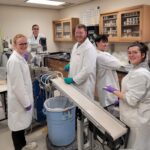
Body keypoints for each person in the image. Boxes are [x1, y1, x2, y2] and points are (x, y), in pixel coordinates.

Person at [104, 42, 150, 150]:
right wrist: (120, 99)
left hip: (138, 117)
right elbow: (132, 91)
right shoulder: (136, 69)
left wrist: (114, 91)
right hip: (135, 113)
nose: (131, 55)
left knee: (136, 145)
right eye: (129, 52)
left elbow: (131, 100)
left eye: (135, 52)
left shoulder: (141, 74)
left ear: (143, 55)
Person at [7, 34, 37, 150]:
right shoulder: (14, 61)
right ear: (14, 45)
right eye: (21, 44)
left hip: (21, 99)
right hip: (19, 101)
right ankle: (19, 148)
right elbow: (18, 87)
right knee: (17, 128)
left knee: (21, 126)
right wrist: (26, 103)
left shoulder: (20, 57)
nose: (24, 46)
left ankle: (24, 146)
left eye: (25, 43)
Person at [64, 24, 96, 99]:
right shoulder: (75, 45)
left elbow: (87, 70)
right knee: (75, 104)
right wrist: (70, 65)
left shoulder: (89, 48)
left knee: (84, 107)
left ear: (86, 33)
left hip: (84, 85)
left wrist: (73, 79)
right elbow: (74, 59)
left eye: (81, 33)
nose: (78, 35)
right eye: (76, 33)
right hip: (74, 82)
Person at [95, 34, 122, 107]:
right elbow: (118, 64)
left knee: (109, 106)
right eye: (103, 42)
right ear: (97, 43)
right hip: (108, 86)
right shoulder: (101, 56)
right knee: (109, 110)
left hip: (106, 85)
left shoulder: (102, 54)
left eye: (106, 42)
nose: (106, 44)